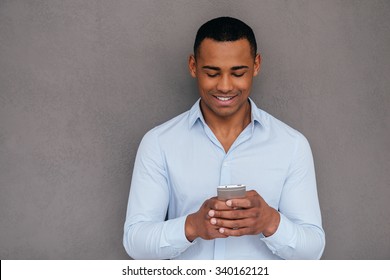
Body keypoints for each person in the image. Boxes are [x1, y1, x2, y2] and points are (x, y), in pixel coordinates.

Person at [123, 16, 325, 260]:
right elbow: (135, 243)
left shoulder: (292, 145)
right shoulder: (158, 143)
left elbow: (313, 250)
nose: (226, 86)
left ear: (257, 65)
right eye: (212, 73)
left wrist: (270, 221)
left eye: (238, 72)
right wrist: (192, 226)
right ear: (193, 66)